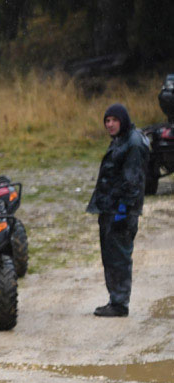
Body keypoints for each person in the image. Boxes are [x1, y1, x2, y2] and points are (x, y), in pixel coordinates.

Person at [86, 103, 150, 317]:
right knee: (111, 256)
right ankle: (115, 300)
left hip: (121, 211)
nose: (109, 124)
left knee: (119, 257)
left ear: (123, 120)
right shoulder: (121, 140)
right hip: (109, 209)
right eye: (107, 120)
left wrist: (122, 211)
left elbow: (132, 182)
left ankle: (120, 303)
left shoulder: (133, 143)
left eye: (113, 120)